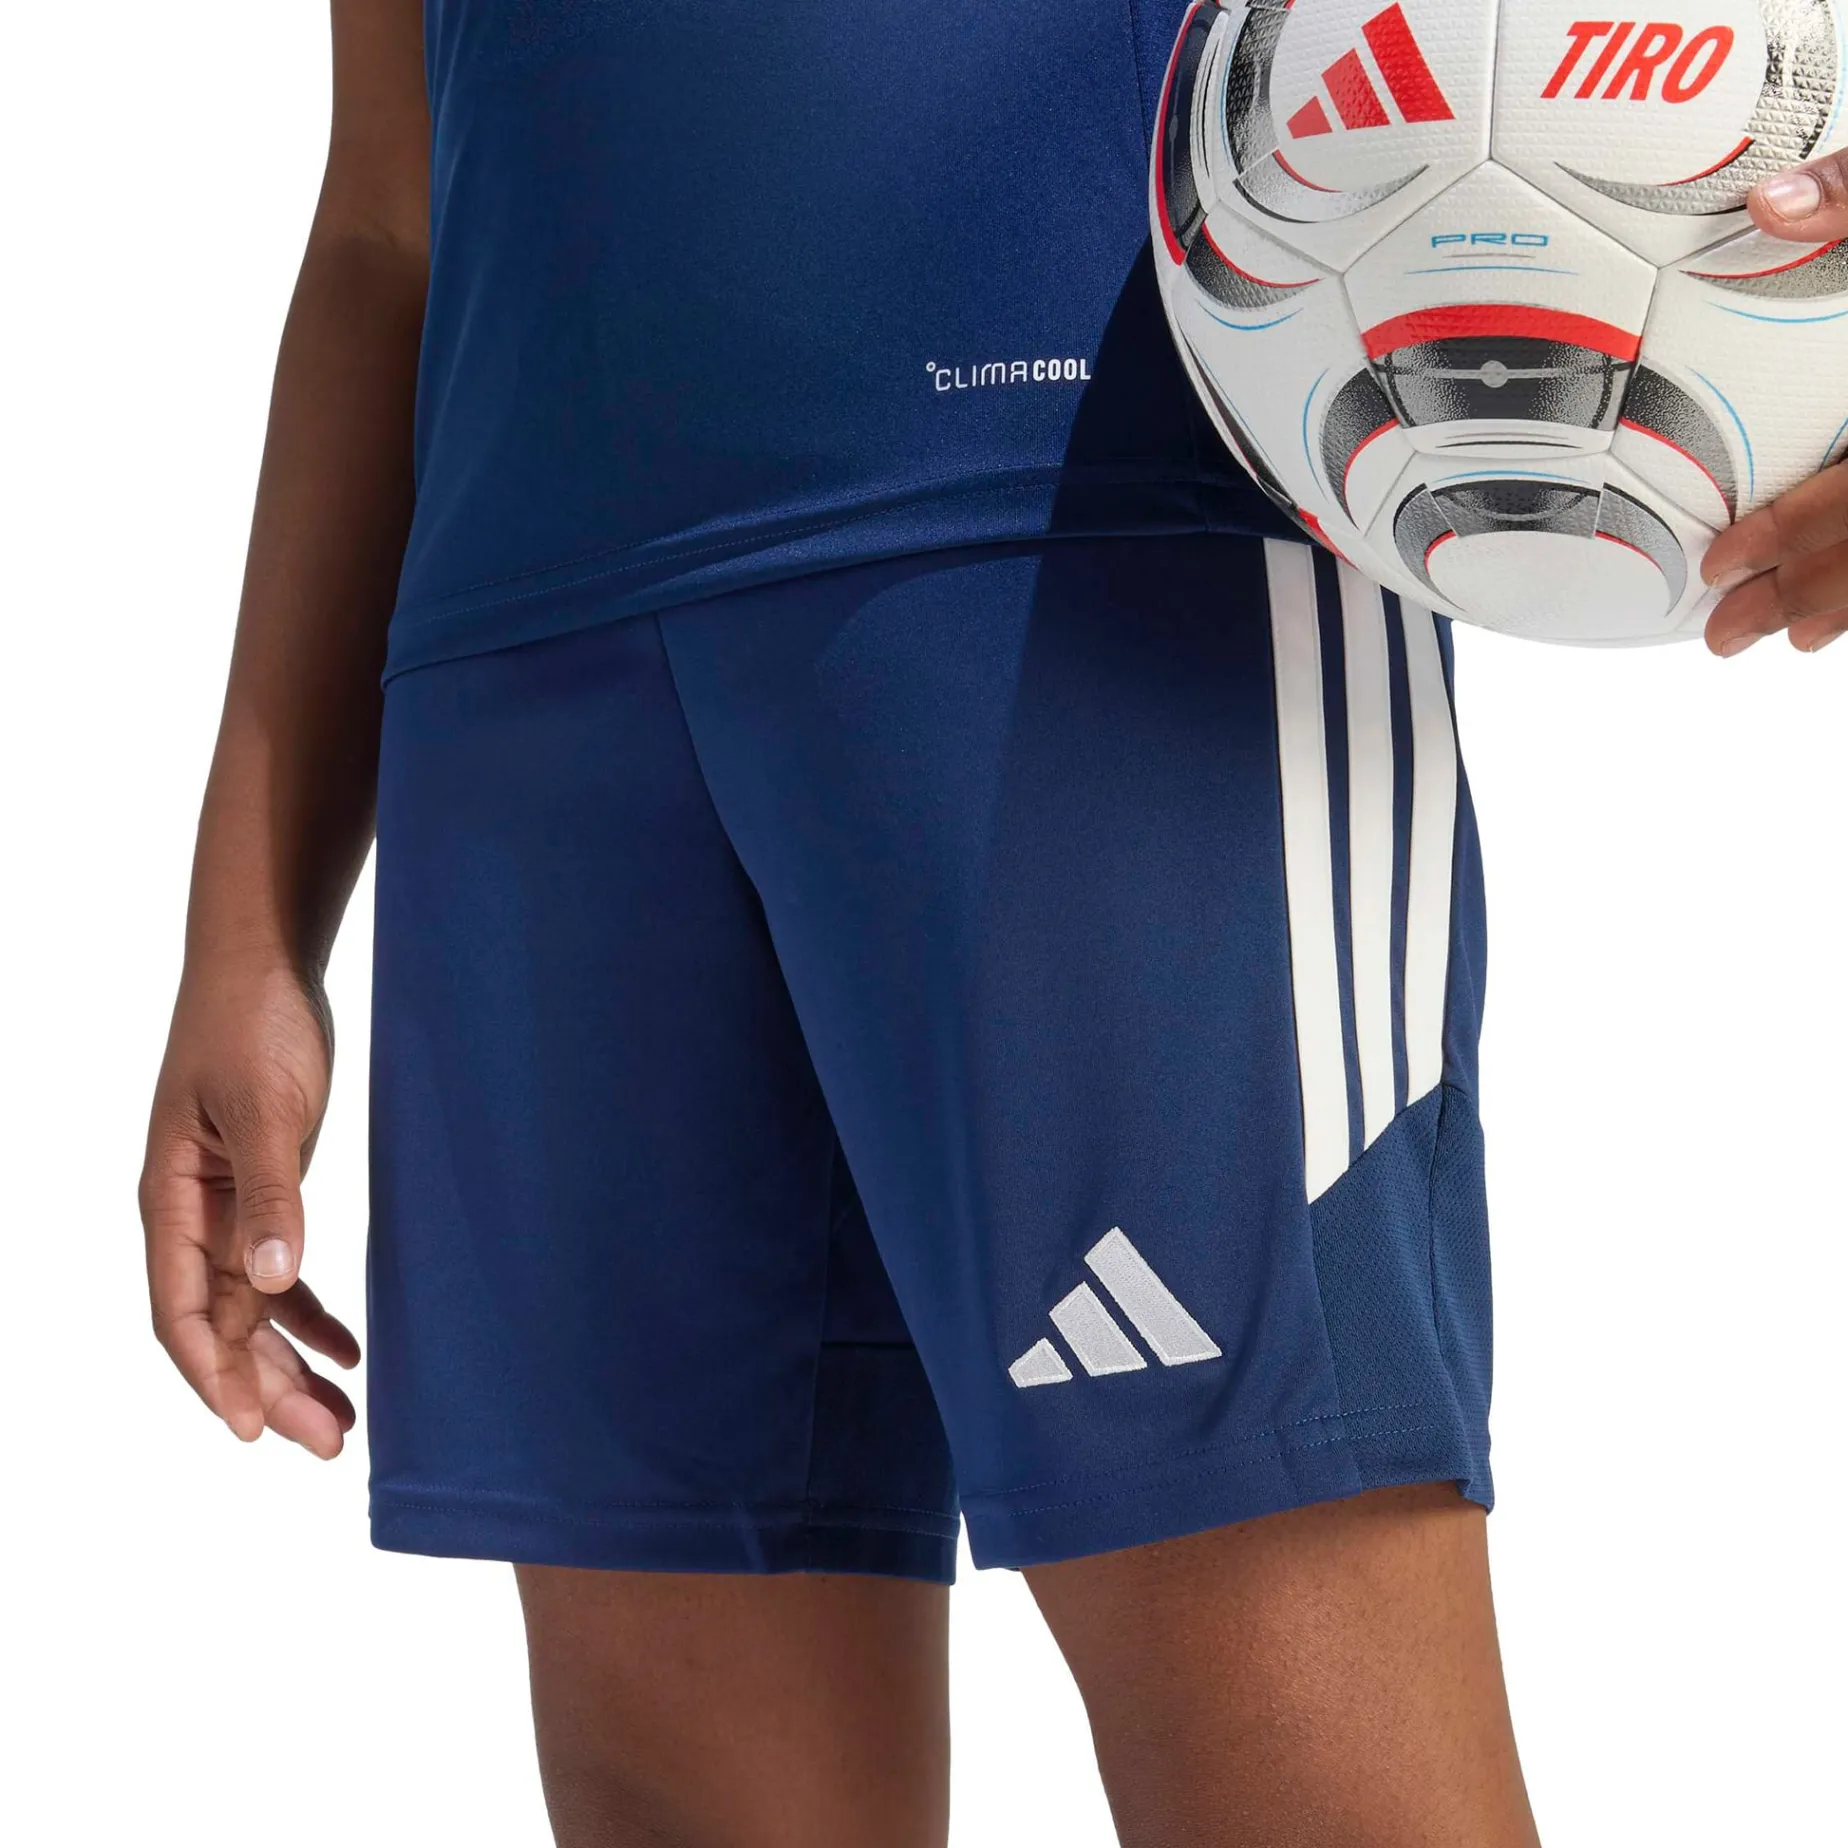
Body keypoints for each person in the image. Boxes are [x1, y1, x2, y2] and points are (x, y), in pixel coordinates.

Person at [136, 2, 1848, 1841]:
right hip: (527, 654)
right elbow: (387, 221)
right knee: (679, 1803)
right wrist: (248, 929)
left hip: (1096, 545)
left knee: (1304, 1762)